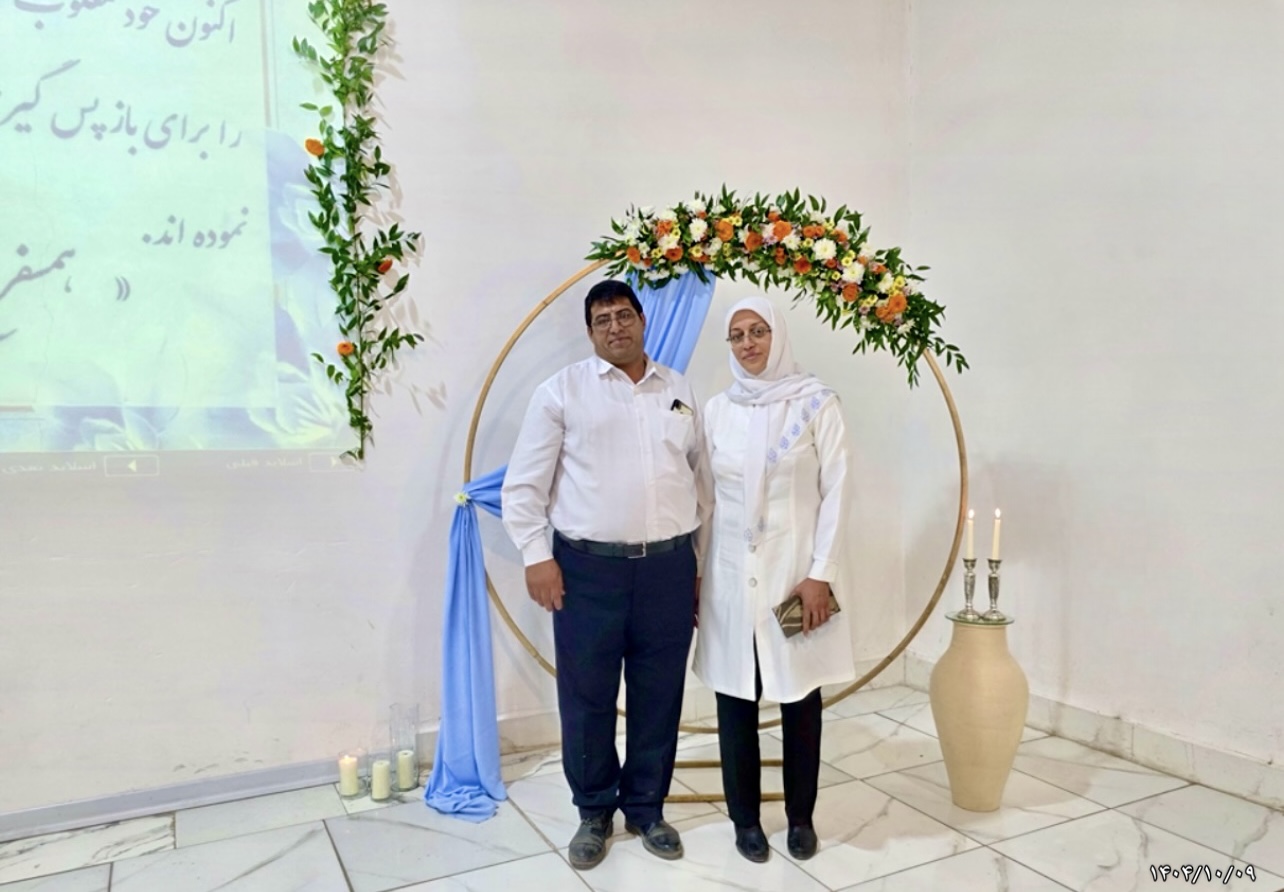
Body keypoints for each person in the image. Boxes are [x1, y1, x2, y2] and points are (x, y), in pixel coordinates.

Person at [501, 279, 712, 871]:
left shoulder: (679, 390)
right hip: (586, 572)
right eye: (602, 320)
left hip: (669, 569)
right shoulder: (561, 392)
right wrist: (536, 556)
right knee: (588, 696)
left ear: (643, 320)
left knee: (659, 693)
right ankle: (594, 811)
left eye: (624, 315)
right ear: (590, 332)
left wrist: (697, 564)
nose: (615, 327)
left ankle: (646, 808)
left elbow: (702, 485)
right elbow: (524, 485)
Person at [692, 295, 855, 863]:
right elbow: (706, 501)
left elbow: (839, 492)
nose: (748, 343)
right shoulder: (718, 411)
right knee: (735, 698)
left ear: (778, 335)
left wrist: (820, 574)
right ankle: (745, 821)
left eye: (758, 331)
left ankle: (801, 818)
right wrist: (697, 572)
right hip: (730, 577)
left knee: (799, 699)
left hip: (794, 576)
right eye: (737, 335)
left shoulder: (817, 404)